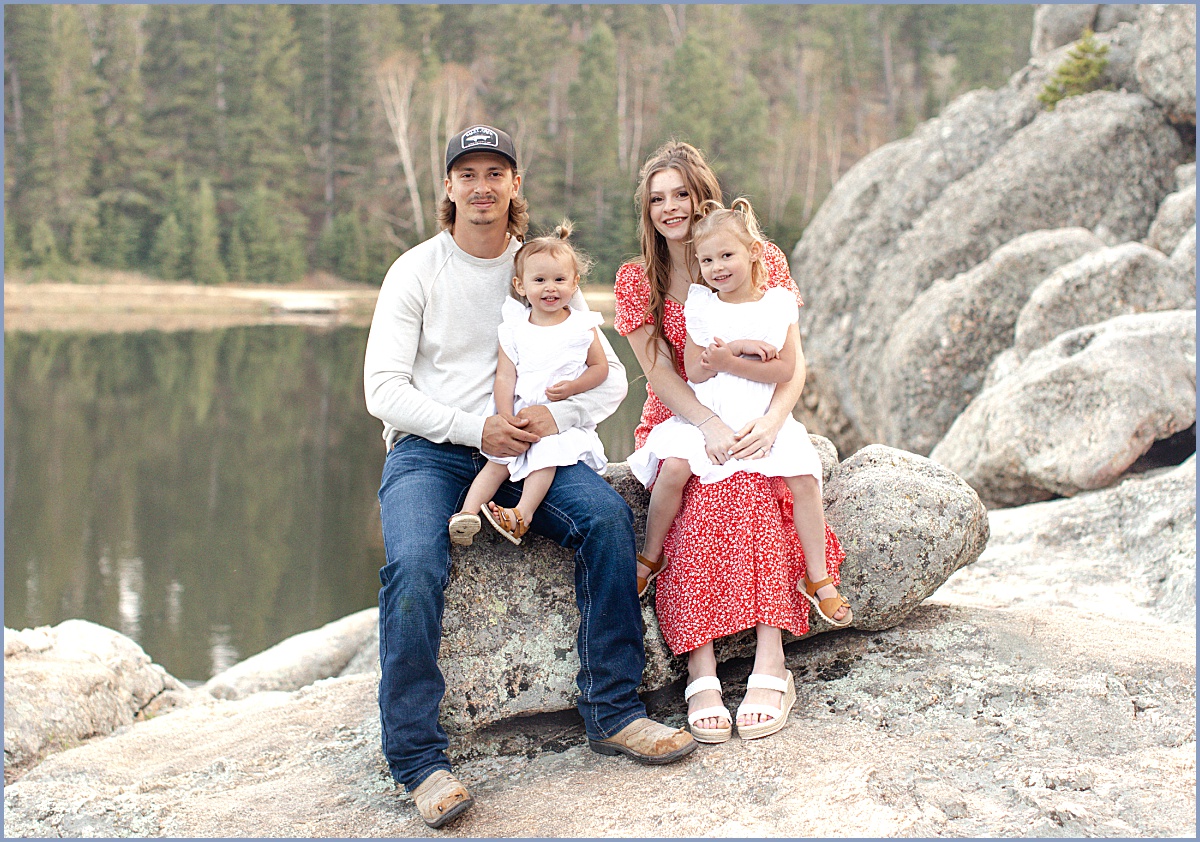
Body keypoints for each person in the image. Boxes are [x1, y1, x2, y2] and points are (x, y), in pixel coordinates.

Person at [364, 125, 696, 830]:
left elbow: (605, 385)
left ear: (516, 185)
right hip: (431, 447)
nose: (481, 186)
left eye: (496, 173)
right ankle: (419, 762)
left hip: (530, 451)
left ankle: (613, 712)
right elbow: (382, 391)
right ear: (448, 188)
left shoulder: (545, 269)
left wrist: (556, 415)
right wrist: (470, 427)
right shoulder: (416, 271)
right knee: (416, 562)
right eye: (467, 174)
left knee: (606, 522)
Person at [613, 141, 851, 745]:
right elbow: (662, 372)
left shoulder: (757, 257)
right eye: (657, 199)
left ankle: (772, 659)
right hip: (682, 415)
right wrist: (708, 427)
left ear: (703, 195)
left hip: (758, 412)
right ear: (647, 210)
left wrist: (772, 424)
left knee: (756, 488)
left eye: (681, 194)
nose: (671, 208)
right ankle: (702, 667)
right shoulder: (640, 280)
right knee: (706, 498)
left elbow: (793, 363)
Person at [448, 222, 609, 546]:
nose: (550, 288)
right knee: (498, 462)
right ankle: (466, 515)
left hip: (558, 418)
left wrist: (573, 387)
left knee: (545, 455)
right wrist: (505, 414)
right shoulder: (515, 328)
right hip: (520, 412)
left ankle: (523, 513)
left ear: (574, 283)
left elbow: (600, 368)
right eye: (540, 280)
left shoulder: (581, 325)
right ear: (521, 286)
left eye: (560, 280)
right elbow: (505, 377)